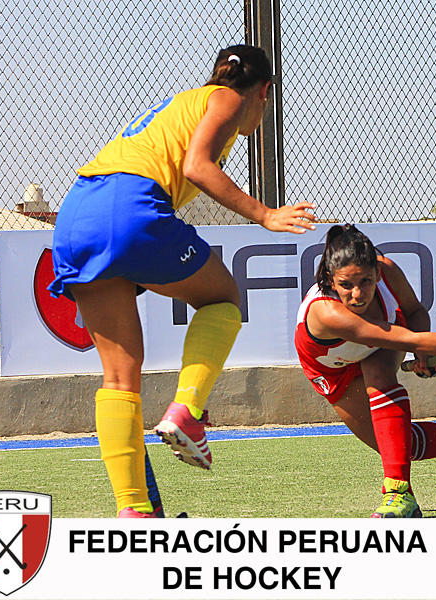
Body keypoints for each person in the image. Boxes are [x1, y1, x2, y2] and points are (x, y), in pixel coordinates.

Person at [49, 45, 316, 517]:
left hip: (77, 214)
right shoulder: (227, 100)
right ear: (264, 91)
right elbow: (197, 167)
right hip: (131, 206)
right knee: (224, 298)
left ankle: (134, 513)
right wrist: (264, 214)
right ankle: (188, 411)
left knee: (119, 375)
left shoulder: (183, 101)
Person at [295, 224, 436, 518]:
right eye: (346, 285)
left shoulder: (387, 270)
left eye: (366, 281)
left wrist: (423, 355)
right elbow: (408, 338)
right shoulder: (327, 313)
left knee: (379, 380)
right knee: (401, 447)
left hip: (381, 345)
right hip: (330, 369)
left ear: (376, 272)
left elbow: (414, 312)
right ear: (330, 279)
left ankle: (399, 496)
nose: (358, 294)